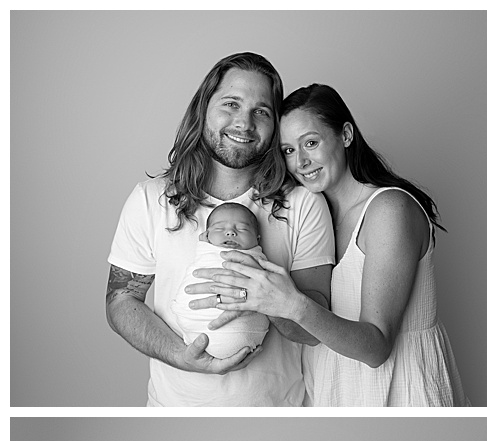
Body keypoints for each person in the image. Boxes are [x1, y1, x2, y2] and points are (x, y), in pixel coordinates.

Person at [193, 84, 465, 407]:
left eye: (311, 143)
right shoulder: (317, 215)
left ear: (346, 135)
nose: (301, 162)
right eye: (289, 151)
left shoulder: (389, 210)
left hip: (400, 393)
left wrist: (287, 302)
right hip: (335, 390)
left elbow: (377, 347)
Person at [106, 52, 335, 406]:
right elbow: (121, 300)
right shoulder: (152, 199)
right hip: (173, 408)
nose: (244, 124)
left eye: (262, 111)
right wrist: (180, 356)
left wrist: (269, 299)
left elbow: (314, 330)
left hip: (278, 409)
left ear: (275, 125)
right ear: (204, 109)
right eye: (231, 104)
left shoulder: (303, 204)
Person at [172, 202, 272, 358]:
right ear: (206, 235)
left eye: (242, 229)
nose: (231, 232)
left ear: (257, 239)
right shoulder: (205, 250)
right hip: (194, 323)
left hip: (245, 330)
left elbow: (268, 290)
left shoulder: (258, 261)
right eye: (219, 228)